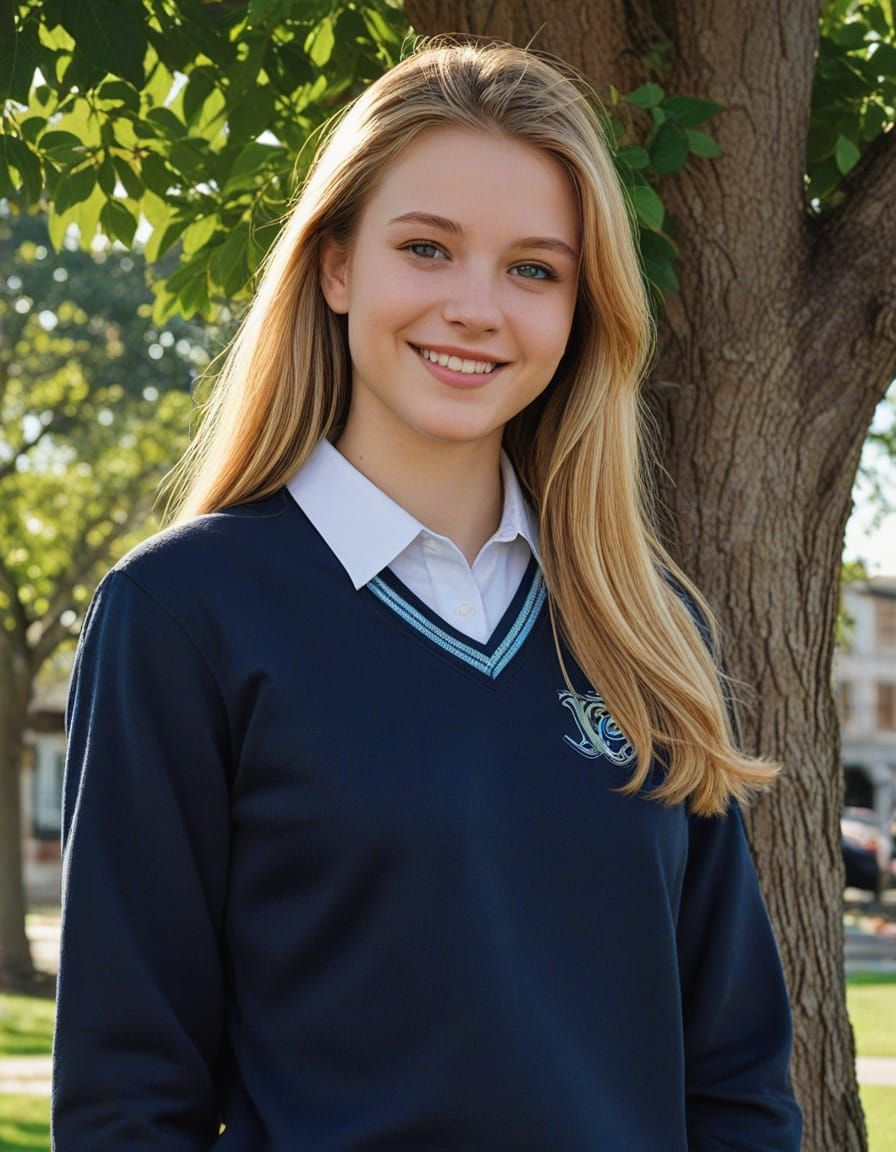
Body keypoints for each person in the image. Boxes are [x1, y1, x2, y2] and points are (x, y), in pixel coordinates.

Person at [51, 37, 803, 1151]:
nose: (476, 307)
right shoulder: (182, 616)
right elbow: (126, 1100)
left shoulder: (648, 629)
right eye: (427, 248)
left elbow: (736, 1081)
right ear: (337, 267)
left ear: (580, 307)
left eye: (532, 269)